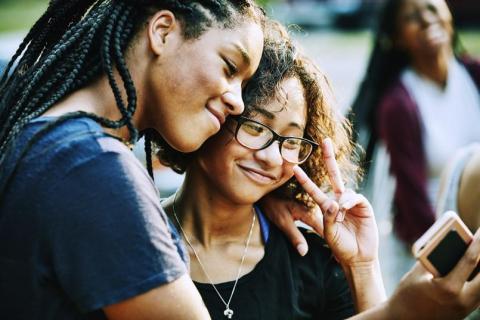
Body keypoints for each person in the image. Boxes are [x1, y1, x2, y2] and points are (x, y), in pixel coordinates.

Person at [0, 1, 267, 319]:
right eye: (230, 67)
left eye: (244, 85)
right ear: (163, 32)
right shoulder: (94, 172)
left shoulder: (49, 141)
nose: (237, 102)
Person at [159, 33, 387, 319]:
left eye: (291, 141)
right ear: (213, 113)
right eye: (255, 127)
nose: (272, 157)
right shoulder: (135, 240)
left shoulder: (310, 260)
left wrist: (362, 266)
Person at [350, 0, 480, 245]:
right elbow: (413, 205)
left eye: (432, 8)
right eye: (411, 17)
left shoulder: (475, 76)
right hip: (437, 238)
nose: (426, 19)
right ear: (398, 38)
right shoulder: (399, 105)